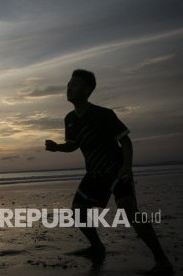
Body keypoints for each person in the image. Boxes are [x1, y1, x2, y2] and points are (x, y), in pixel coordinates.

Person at [45, 69, 173, 274]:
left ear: (87, 90)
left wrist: (127, 167)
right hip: (95, 173)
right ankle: (97, 247)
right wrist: (57, 147)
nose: (69, 88)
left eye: (75, 84)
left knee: (128, 209)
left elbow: (125, 141)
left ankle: (162, 260)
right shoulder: (69, 119)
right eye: (68, 84)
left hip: (116, 169)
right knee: (78, 211)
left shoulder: (104, 114)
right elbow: (73, 145)